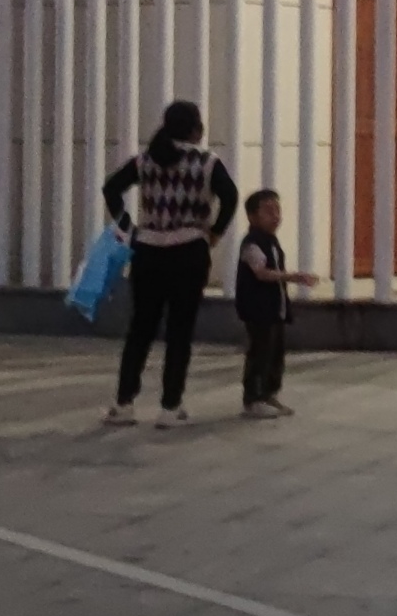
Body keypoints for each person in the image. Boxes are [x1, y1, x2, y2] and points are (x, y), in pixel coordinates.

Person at [100, 100, 240, 427]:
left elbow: (111, 188)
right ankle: (170, 406)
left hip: (148, 251)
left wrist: (129, 227)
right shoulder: (207, 162)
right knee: (180, 330)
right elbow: (230, 197)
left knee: (140, 329)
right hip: (189, 251)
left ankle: (123, 403)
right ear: (196, 129)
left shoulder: (146, 160)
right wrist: (215, 232)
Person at [236, 189, 315, 418]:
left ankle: (269, 394)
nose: (275, 216)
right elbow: (260, 272)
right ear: (252, 216)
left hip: (274, 308)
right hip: (258, 309)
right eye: (268, 211)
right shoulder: (251, 243)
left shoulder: (272, 241)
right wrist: (293, 277)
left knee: (275, 353)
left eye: (277, 210)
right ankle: (254, 398)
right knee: (260, 352)